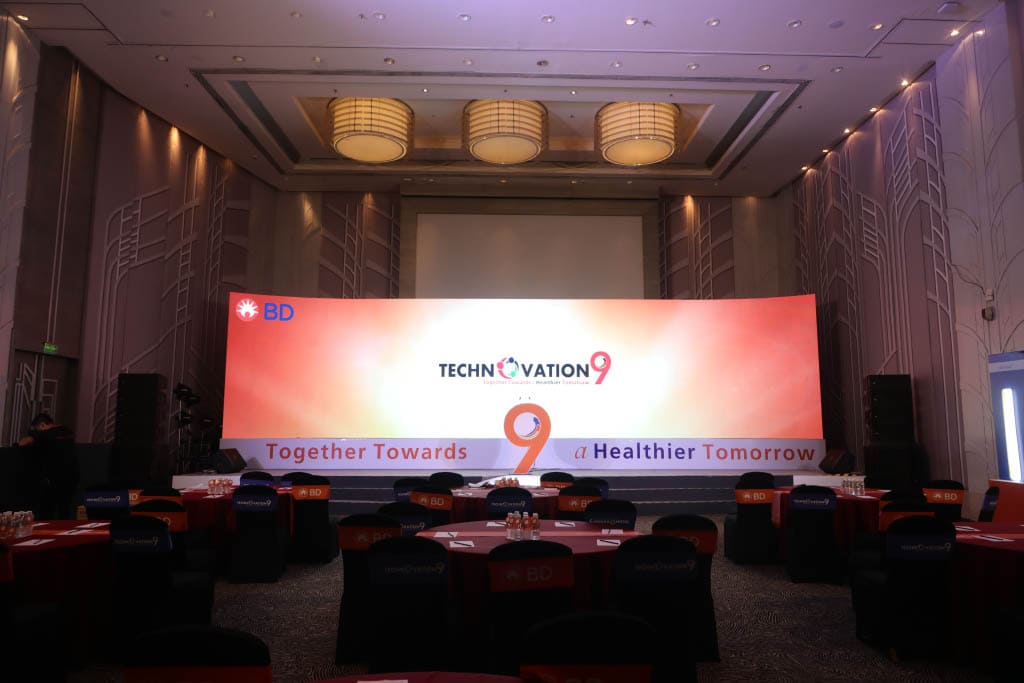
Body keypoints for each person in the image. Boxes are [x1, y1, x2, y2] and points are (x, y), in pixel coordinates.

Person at [18, 413, 78, 519]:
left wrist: (35, 436)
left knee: (47, 510)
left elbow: (22, 443)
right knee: (64, 509)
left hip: (54, 479)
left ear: (42, 425)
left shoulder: (45, 435)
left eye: (38, 429)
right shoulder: (67, 431)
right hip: (71, 476)